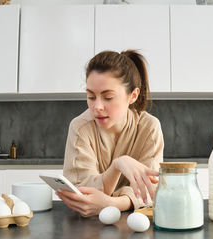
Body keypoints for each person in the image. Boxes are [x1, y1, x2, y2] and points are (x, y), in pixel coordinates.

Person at [57, 50, 164, 217]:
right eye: (91, 97)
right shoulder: (80, 128)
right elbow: (81, 193)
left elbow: (153, 192)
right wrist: (118, 165)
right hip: (88, 233)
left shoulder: (149, 128)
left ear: (133, 96)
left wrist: (111, 204)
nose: (97, 107)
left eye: (107, 97)